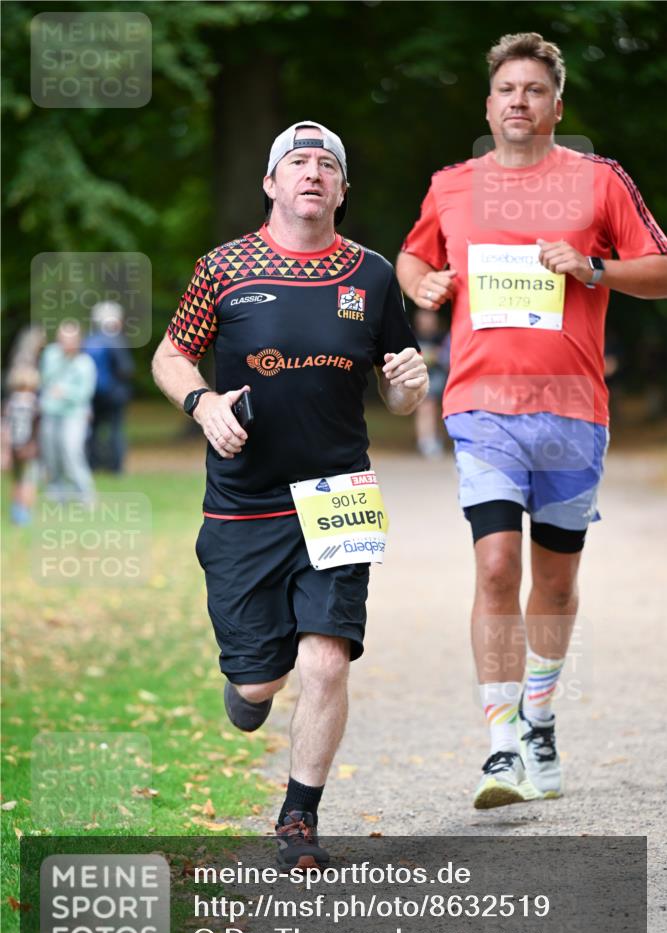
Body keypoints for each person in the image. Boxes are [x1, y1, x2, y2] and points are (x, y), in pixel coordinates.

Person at [397, 32, 667, 809]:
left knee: (554, 581)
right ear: (488, 106)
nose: (518, 101)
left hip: (572, 411)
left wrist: (592, 267)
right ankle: (499, 744)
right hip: (480, 407)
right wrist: (424, 285)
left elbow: (659, 269)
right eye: (506, 90)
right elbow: (413, 257)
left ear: (556, 106)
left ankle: (540, 720)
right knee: (494, 567)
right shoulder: (451, 186)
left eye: (534, 90)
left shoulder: (598, 180)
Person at [152, 121, 427, 866]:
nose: (313, 172)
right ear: (271, 183)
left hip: (339, 493)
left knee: (327, 661)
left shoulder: (371, 275)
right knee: (260, 681)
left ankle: (298, 819)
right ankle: (250, 686)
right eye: (297, 162)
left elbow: (399, 390)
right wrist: (202, 403)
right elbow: (171, 354)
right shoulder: (224, 268)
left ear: (342, 189)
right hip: (244, 502)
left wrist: (410, 386)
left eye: (326, 164)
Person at [40, 320, 97, 502]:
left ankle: (85, 493)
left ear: (78, 341)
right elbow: (45, 379)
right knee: (51, 454)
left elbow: (85, 393)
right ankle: (56, 492)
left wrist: (65, 392)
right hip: (50, 411)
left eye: (71, 339)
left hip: (74, 414)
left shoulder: (85, 363)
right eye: (63, 339)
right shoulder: (51, 355)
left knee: (71, 452)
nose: (66, 343)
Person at [83, 301, 134, 473]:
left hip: (92, 393)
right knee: (115, 429)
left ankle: (93, 463)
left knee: (93, 430)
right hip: (114, 394)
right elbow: (126, 368)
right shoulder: (116, 339)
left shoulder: (89, 339)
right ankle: (115, 466)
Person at [412, 308, 451, 457]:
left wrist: (437, 356)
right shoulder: (412, 336)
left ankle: (436, 438)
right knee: (425, 407)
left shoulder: (442, 337)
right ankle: (426, 441)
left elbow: (448, 357)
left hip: (441, 377)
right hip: (422, 377)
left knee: (439, 410)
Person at [5, 365, 41, 524]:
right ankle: (25, 512)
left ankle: (16, 511)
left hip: (14, 447)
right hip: (29, 448)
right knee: (30, 480)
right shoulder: (33, 403)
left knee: (17, 479)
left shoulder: (10, 403)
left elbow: (5, 427)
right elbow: (37, 427)